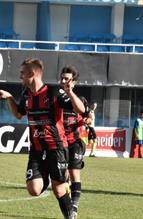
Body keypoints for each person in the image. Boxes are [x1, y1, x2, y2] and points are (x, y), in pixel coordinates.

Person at [0, 58, 85, 219]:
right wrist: (9, 98)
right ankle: (47, 178)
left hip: (56, 148)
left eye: (22, 73)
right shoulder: (26, 95)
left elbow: (81, 110)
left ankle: (70, 215)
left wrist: (70, 92)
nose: (20, 76)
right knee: (34, 189)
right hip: (36, 149)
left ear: (32, 73)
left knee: (59, 190)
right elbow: (19, 114)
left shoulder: (53, 92)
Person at [57, 66, 89, 218]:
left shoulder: (80, 99)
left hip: (75, 141)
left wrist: (88, 120)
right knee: (62, 177)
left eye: (66, 78)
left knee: (74, 173)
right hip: (59, 143)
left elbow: (85, 113)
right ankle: (69, 203)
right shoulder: (56, 97)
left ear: (74, 81)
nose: (63, 81)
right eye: (61, 78)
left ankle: (73, 208)